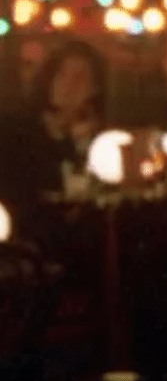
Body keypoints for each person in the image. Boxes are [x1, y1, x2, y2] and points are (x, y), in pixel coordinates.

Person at [0, 40, 105, 238]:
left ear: (95, 88)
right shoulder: (16, 131)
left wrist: (81, 145)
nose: (68, 84)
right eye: (61, 74)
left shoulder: (99, 142)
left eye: (79, 77)